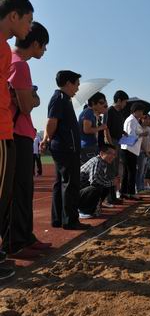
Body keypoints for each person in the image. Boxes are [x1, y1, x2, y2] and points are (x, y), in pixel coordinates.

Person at [2, 21, 52, 256]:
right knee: (20, 189)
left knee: (22, 189)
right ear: (35, 44)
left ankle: (24, 236)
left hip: (16, 132)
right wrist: (32, 97)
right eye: (44, 47)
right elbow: (27, 105)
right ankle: (16, 241)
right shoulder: (20, 65)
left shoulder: (11, 60)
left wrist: (32, 96)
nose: (44, 52)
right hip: (18, 133)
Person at [0, 0, 34, 280]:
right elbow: (25, 104)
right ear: (14, 16)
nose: (30, 27)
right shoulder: (6, 52)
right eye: (28, 20)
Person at [40, 70, 91, 231]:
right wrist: (47, 139)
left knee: (60, 183)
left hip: (65, 147)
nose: (78, 88)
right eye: (77, 84)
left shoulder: (64, 99)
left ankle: (58, 219)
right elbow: (51, 122)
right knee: (70, 183)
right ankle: (70, 220)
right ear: (68, 83)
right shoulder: (59, 98)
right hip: (65, 148)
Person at [103, 90, 128, 204]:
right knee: (110, 170)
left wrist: (123, 132)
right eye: (124, 102)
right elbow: (106, 128)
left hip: (118, 141)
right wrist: (110, 145)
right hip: (111, 142)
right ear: (119, 100)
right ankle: (109, 198)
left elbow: (117, 126)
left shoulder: (120, 113)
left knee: (115, 170)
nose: (125, 104)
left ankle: (113, 196)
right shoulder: (109, 111)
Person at [79, 144, 117, 219]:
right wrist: (112, 183)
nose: (112, 156)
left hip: (82, 190)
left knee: (106, 187)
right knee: (96, 188)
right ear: (102, 153)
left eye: (114, 154)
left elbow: (102, 180)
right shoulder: (96, 161)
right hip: (76, 193)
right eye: (109, 153)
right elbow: (94, 181)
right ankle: (84, 211)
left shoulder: (103, 162)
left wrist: (111, 183)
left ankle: (93, 208)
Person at [120, 103, 145, 200]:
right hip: (129, 149)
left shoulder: (134, 120)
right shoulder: (131, 120)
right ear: (136, 111)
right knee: (131, 172)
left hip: (131, 149)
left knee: (128, 172)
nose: (142, 113)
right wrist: (142, 134)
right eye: (141, 111)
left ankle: (124, 192)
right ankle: (130, 193)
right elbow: (130, 136)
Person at [78, 92, 108, 164]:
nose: (103, 105)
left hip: (88, 145)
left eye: (104, 103)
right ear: (93, 103)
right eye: (101, 103)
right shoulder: (88, 112)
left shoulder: (90, 112)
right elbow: (87, 130)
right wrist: (101, 127)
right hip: (88, 146)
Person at [136, 114, 150, 193]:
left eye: (149, 119)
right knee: (140, 171)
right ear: (142, 119)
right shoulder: (139, 128)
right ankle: (139, 187)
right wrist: (146, 151)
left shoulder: (149, 129)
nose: (148, 121)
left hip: (148, 152)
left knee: (144, 171)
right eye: (146, 119)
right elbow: (141, 142)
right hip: (141, 152)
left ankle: (141, 186)